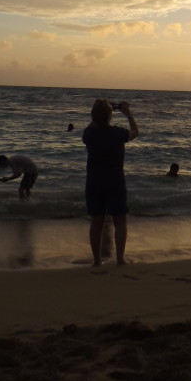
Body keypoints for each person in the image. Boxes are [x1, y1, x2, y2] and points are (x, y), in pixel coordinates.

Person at [83, 98, 139, 266]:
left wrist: (101, 113)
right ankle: (120, 258)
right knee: (120, 220)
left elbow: (93, 124)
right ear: (110, 115)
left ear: (93, 115)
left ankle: (97, 260)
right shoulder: (117, 133)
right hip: (115, 180)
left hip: (94, 181)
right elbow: (135, 131)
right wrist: (127, 113)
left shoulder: (89, 133)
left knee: (96, 221)